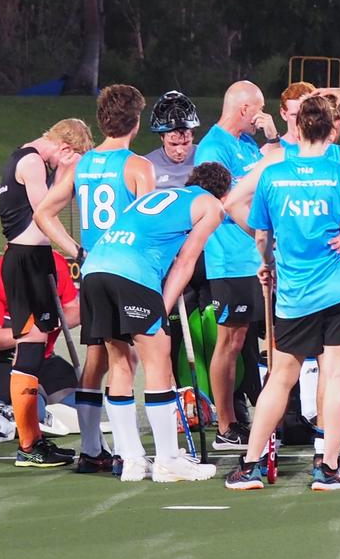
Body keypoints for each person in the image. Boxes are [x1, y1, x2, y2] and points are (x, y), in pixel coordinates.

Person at [224, 96, 340, 491]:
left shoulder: (272, 176)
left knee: (281, 378)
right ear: (333, 130)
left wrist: (266, 261)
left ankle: (249, 466)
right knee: (334, 375)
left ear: (297, 129)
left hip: (295, 294)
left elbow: (262, 235)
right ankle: (328, 468)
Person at [78, 162, 229, 482]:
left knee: (121, 363)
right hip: (131, 273)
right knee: (158, 362)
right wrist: (161, 306)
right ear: (224, 193)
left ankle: (132, 461)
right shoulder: (212, 205)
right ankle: (167, 459)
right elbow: (187, 260)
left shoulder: (163, 196)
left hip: (94, 271)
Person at [35, 84, 157, 472]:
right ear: (135, 122)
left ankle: (91, 449)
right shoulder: (138, 166)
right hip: (128, 272)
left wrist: (76, 251)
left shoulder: (80, 166)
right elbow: (150, 226)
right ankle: (127, 453)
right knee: (128, 360)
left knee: (97, 359)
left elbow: (43, 213)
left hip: (91, 273)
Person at [0, 117, 93, 467]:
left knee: (34, 349)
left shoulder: (25, 157)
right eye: (74, 156)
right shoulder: (33, 160)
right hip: (26, 262)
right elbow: (44, 216)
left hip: (30, 261)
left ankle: (32, 440)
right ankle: (28, 445)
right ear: (66, 149)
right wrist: (77, 252)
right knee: (30, 351)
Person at [192, 81, 280, 451]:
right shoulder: (213, 147)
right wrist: (264, 237)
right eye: (257, 111)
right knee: (230, 340)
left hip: (256, 260)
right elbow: (224, 202)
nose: (258, 119)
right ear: (244, 109)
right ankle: (227, 425)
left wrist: (273, 137)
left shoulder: (247, 143)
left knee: (267, 338)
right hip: (231, 260)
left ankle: (274, 416)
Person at [0, 253, 79, 424]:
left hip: (45, 360)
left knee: (86, 405)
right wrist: (36, 330)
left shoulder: (55, 264)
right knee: (34, 417)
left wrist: (50, 322)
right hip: (2, 363)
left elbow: (74, 311)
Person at [146, 91, 199, 189]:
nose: (179, 151)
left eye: (185, 143)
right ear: (162, 137)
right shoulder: (147, 166)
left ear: (193, 137)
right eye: (173, 144)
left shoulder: (206, 157)